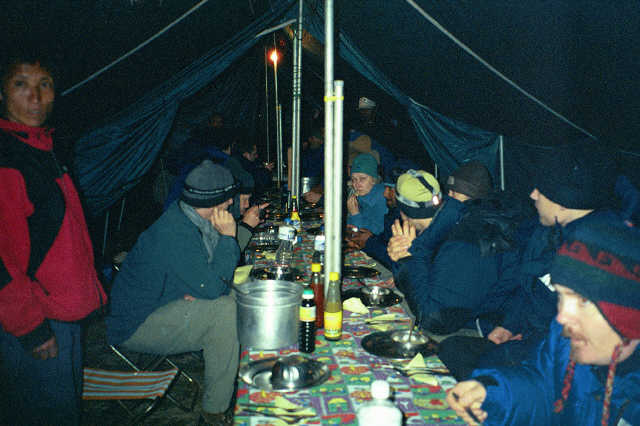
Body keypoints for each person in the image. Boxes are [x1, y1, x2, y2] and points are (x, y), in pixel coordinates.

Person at [438, 142, 619, 379]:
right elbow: (529, 287)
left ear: (563, 199)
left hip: (558, 361)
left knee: (471, 367)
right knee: (451, 349)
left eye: (541, 190)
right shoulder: (545, 230)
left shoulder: (598, 256)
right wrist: (510, 325)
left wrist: (526, 345)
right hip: (528, 337)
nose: (533, 194)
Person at [447, 216, 640, 426]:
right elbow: (544, 389)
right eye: (561, 296)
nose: (562, 317)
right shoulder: (566, 339)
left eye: (583, 300)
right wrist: (493, 393)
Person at [0, 51, 107, 425]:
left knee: (65, 410)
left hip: (64, 312)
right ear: (2, 93)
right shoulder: (8, 158)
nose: (34, 97)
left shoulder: (43, 148)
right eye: (21, 85)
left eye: (44, 85)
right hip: (36, 320)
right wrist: (30, 327)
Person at [106, 160, 240, 425]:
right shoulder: (176, 231)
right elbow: (215, 287)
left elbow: (212, 279)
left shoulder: (190, 219)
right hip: (137, 323)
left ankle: (239, 370)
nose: (231, 204)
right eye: (228, 199)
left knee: (240, 296)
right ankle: (214, 411)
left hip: (165, 301)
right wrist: (228, 237)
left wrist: (196, 289)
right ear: (217, 201)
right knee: (225, 311)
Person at [389, 168, 521, 334]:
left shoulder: (464, 242)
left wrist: (408, 262)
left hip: (480, 330)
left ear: (403, 213)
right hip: (458, 318)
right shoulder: (441, 226)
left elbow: (435, 321)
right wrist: (403, 260)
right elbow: (414, 286)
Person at [345, 167, 404, 270]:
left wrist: (355, 214)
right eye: (353, 179)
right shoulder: (392, 210)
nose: (385, 193)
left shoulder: (382, 201)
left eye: (390, 189)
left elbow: (398, 263)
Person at [347, 152, 388, 235]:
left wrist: (355, 214)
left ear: (373, 180)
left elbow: (372, 234)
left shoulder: (382, 198)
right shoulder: (362, 196)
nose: (357, 184)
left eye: (362, 179)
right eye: (354, 179)